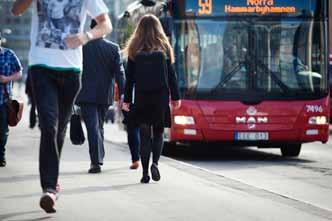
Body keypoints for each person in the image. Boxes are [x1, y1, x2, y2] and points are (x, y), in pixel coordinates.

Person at [12, 0, 112, 214]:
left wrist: (85, 36)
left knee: (59, 129)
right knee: (48, 125)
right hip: (41, 66)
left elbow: (106, 24)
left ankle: (52, 184)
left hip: (71, 71)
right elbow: (16, 9)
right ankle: (49, 189)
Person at [122, 14, 181, 184]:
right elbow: (171, 75)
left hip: (141, 96)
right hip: (160, 96)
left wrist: (126, 99)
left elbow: (130, 77)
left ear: (139, 29)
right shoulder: (164, 46)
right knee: (159, 132)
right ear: (158, 28)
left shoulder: (134, 48)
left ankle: (145, 173)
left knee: (144, 134)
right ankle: (155, 163)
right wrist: (176, 96)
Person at [76, 19, 125, 174]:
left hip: (86, 94)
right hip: (105, 95)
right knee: (98, 126)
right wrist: (123, 93)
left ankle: (95, 162)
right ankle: (98, 158)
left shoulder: (81, 48)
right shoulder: (113, 48)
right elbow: (120, 73)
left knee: (93, 127)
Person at [0, 32, 22, 167]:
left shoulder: (9, 54)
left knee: (2, 131)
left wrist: (6, 79)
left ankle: (1, 155)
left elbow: (19, 72)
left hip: (3, 100)